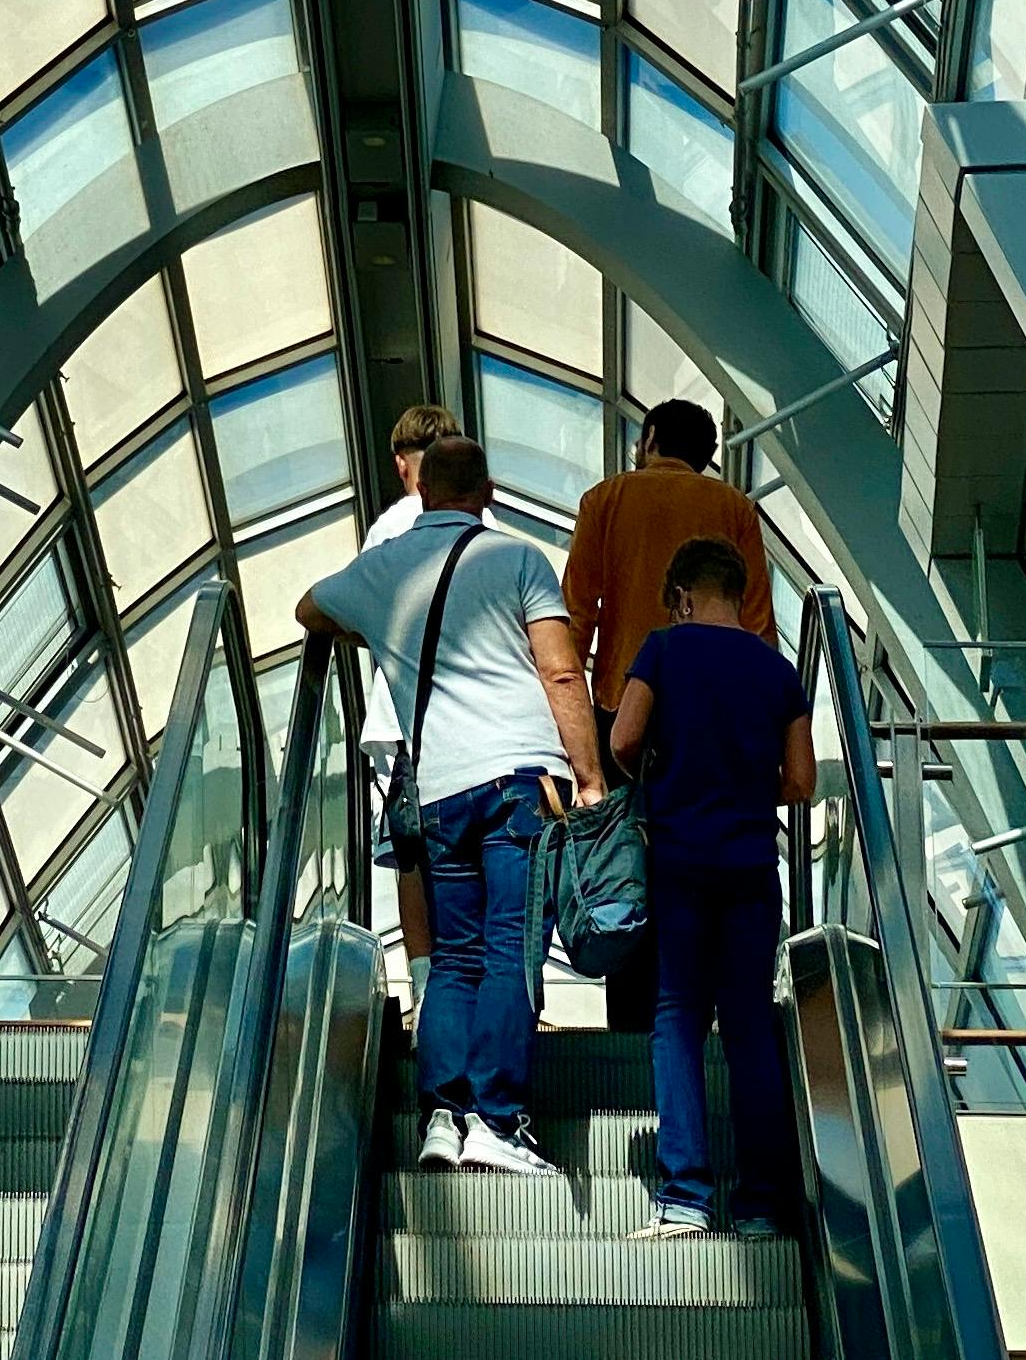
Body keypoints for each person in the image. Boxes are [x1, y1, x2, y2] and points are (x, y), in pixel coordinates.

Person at [300, 435, 601, 1175]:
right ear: (487, 491)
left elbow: (309, 608)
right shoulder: (517, 558)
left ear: (422, 493)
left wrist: (369, 621)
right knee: (510, 949)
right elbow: (560, 673)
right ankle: (498, 1123)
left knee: (455, 956)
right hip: (521, 783)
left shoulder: (381, 567)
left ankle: (443, 1116)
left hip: (438, 789)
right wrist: (590, 777)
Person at [608, 536, 814, 1240]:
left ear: (684, 595)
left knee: (676, 1017)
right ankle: (760, 1202)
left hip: (678, 860)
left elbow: (624, 741)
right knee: (751, 1025)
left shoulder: (662, 651)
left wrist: (669, 770)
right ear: (739, 595)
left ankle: (685, 1196)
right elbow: (801, 782)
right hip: (752, 867)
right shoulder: (778, 671)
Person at [564, 398, 774, 1026]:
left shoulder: (606, 501)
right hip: (715, 715)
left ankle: (633, 1021)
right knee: (704, 856)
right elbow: (756, 625)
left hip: (622, 712)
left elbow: (579, 616)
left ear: (650, 437)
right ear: (707, 453)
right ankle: (700, 1011)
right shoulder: (734, 509)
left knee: (626, 861)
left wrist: (570, 725)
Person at [359, 402, 466, 1002]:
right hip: (474, 726)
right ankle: (474, 982)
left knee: (411, 856)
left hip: (404, 721)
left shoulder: (390, 527)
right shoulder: (487, 527)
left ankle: (427, 985)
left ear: (402, 463)